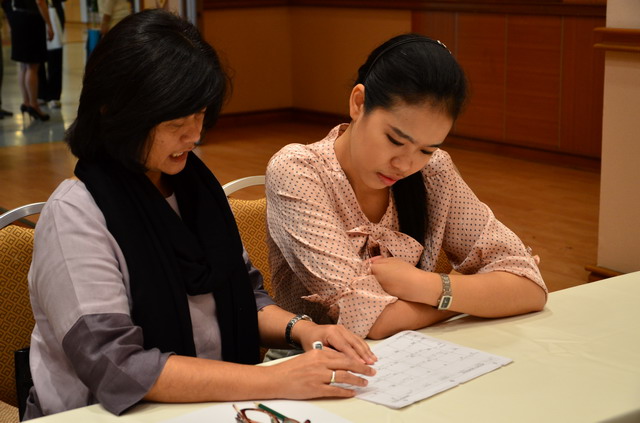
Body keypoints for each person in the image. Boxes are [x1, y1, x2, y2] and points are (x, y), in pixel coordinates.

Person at [25, 9, 376, 420]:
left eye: (201, 115)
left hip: (213, 404)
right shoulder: (76, 215)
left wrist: (304, 330)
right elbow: (117, 367)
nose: (194, 135)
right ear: (114, 112)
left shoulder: (196, 189)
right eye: (176, 122)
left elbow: (244, 295)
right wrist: (274, 379)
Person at [266, 34, 548, 341]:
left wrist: (424, 285)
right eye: (395, 140)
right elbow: (370, 321)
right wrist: (470, 300)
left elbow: (529, 287)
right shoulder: (298, 170)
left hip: (422, 349)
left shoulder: (433, 171)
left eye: (426, 149)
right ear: (358, 103)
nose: (405, 165)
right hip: (318, 360)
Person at [7, 0, 53, 121]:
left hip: (16, 17)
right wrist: (49, 24)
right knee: (32, 67)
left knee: (23, 66)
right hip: (31, 20)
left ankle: (26, 102)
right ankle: (34, 104)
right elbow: (40, 2)